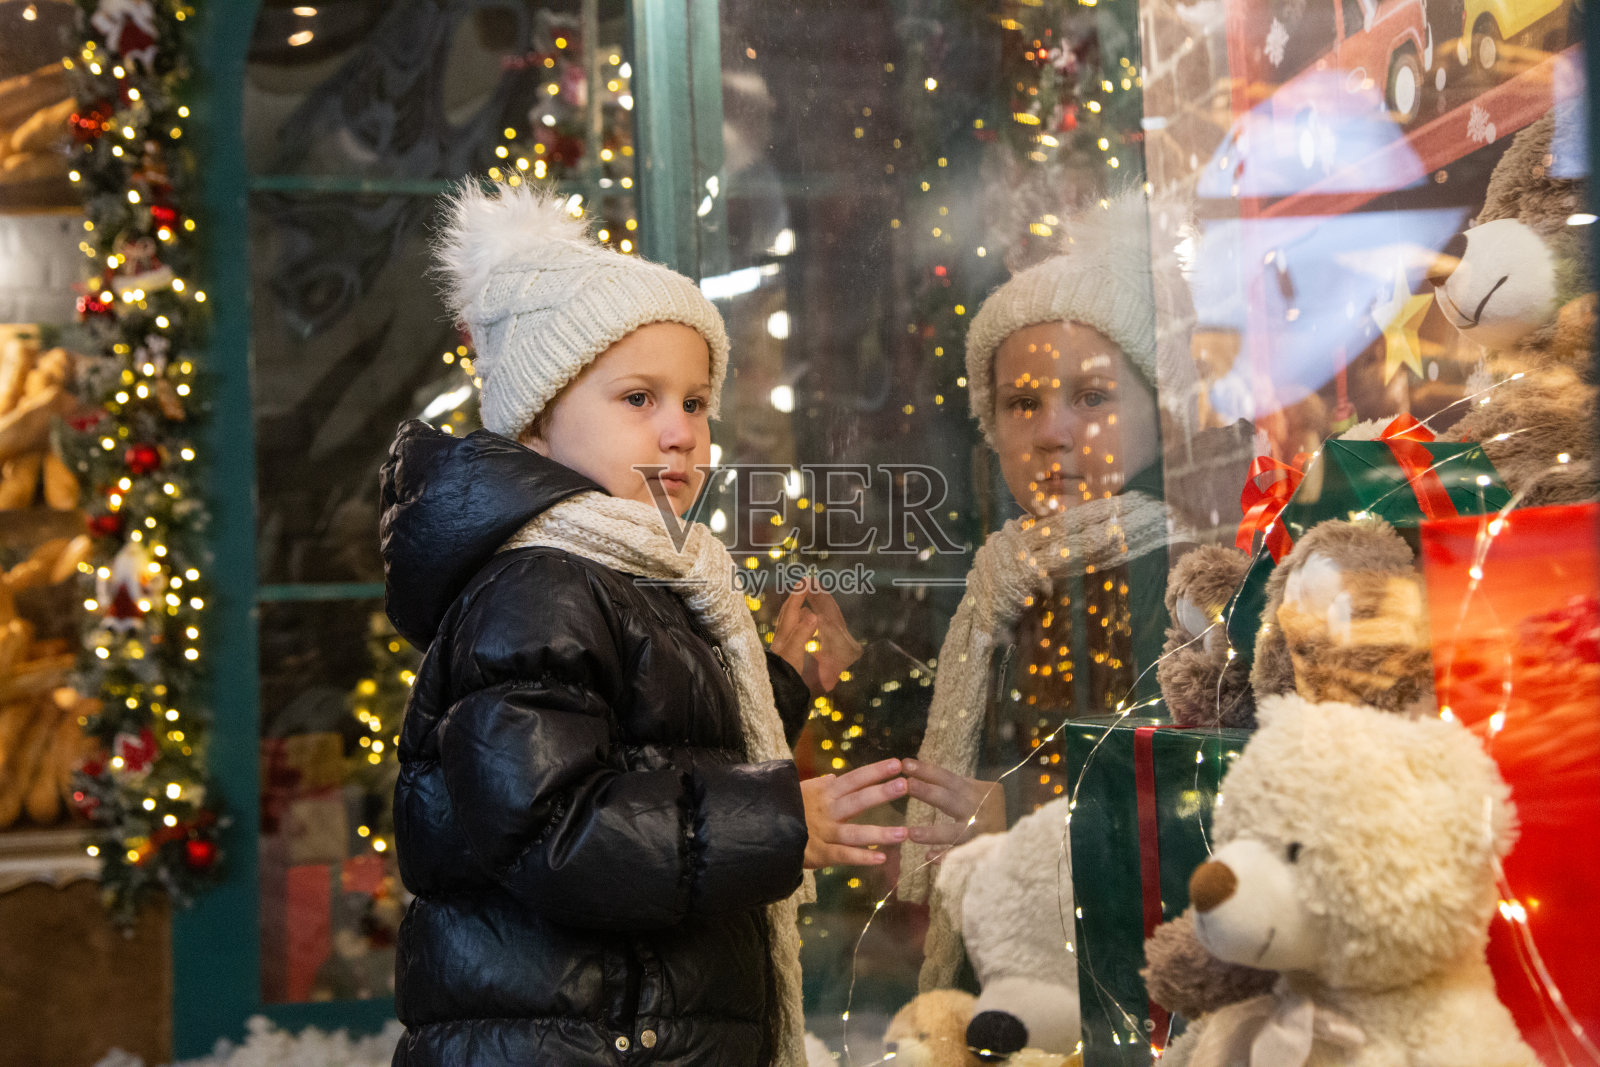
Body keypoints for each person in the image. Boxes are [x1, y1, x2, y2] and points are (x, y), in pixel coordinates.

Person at [379, 180, 899, 1066]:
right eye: (638, 399)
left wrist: (772, 681)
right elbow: (551, 828)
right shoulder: (538, 581)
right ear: (540, 419)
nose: (679, 432)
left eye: (695, 402)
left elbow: (644, 747)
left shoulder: (632, 570)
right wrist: (774, 823)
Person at [898, 191, 1200, 986]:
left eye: (1092, 397)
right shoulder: (1007, 576)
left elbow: (1187, 773)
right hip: (1006, 945)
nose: (1053, 432)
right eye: (1022, 403)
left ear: (1156, 407)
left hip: (1121, 967)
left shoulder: (1176, 574)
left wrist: (1018, 804)